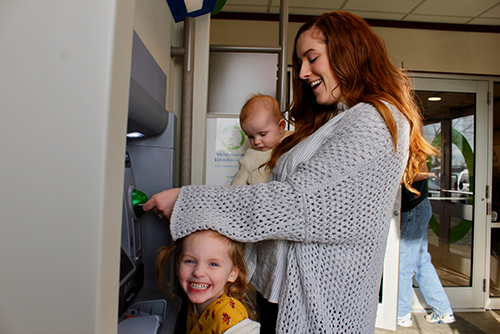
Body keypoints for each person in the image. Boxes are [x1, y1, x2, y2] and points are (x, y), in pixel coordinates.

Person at [145, 10, 437, 333]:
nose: (302, 73)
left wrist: (190, 202)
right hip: (285, 303)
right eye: (300, 62)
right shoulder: (337, 120)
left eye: (312, 58)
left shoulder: (372, 122)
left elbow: (295, 204)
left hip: (320, 315)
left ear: (348, 52)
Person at [156, 229, 260, 334]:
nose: (198, 272)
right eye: (190, 261)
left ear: (232, 273)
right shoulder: (197, 303)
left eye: (213, 264)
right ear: (178, 265)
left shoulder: (227, 313)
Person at [397, 164, 455, 327]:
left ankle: (401, 313)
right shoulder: (414, 149)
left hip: (413, 211)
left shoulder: (413, 149)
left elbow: (421, 174)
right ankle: (443, 310)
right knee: (421, 262)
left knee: (404, 265)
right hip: (418, 208)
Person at [231, 94, 292, 186]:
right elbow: (236, 186)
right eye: (251, 136)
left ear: (281, 126)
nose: (256, 142)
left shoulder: (293, 140)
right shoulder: (250, 157)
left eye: (262, 134)